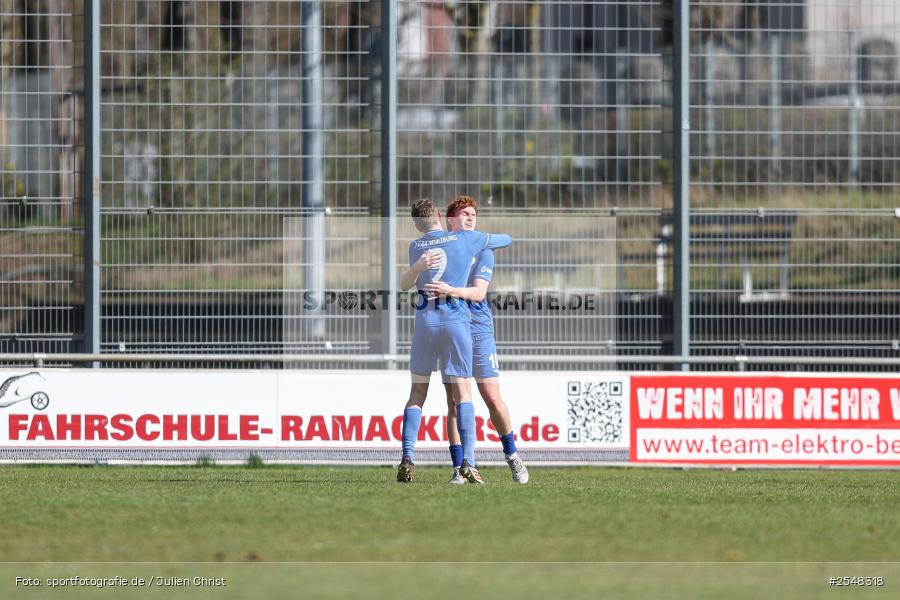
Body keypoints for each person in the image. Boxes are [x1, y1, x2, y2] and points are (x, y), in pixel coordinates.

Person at [396, 198, 512, 484]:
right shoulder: (465, 239)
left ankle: (407, 456)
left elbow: (403, 284)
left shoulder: (416, 246)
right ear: (440, 216)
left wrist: (418, 267)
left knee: (417, 394)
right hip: (455, 323)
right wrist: (484, 240)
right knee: (463, 396)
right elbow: (505, 239)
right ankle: (468, 463)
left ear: (416, 225)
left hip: (425, 324)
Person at [423, 196, 529, 485]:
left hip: (479, 329)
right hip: (450, 327)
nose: (470, 217)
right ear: (450, 220)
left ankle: (512, 454)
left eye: (473, 214)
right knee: (454, 402)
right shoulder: (439, 249)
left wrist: (450, 290)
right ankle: (461, 467)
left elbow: (479, 293)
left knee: (492, 398)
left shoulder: (483, 248)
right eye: (464, 214)